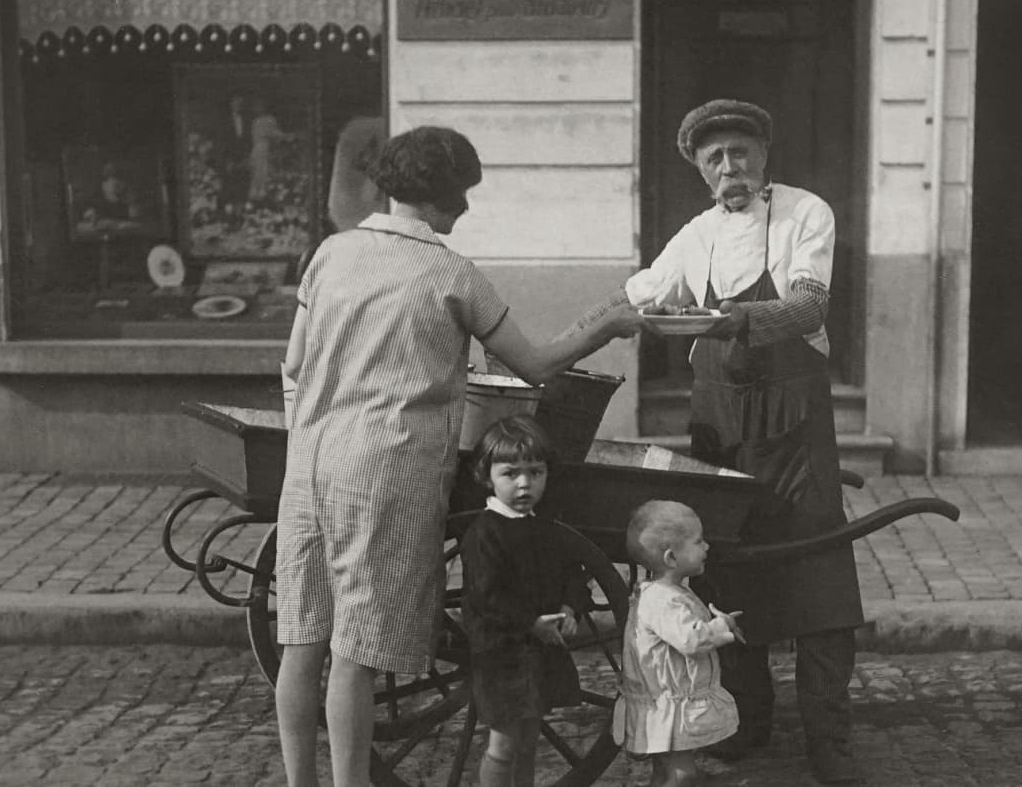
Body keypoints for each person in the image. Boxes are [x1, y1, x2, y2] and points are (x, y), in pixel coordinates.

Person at [275, 125, 644, 787]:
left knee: (302, 641)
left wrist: (308, 431)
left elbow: (294, 366)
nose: (466, 211)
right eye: (463, 195)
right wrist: (606, 324)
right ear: (446, 196)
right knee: (355, 651)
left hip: (310, 461)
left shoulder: (330, 253)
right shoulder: (451, 274)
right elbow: (532, 366)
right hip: (387, 468)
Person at [572, 98, 866, 783]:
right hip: (718, 433)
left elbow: (809, 305)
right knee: (727, 570)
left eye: (740, 153)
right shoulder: (696, 235)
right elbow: (636, 297)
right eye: (715, 159)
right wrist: (555, 346)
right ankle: (748, 723)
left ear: (763, 156)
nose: (729, 167)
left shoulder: (804, 213)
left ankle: (830, 739)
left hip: (794, 431)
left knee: (820, 576)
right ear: (702, 174)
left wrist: (728, 319)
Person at [459, 415, 589, 787]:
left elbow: (573, 571)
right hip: (502, 653)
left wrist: (570, 607)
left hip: (539, 652)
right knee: (503, 743)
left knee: (529, 739)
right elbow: (487, 596)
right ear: (487, 476)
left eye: (535, 472)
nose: (524, 483)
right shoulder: (485, 533)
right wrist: (530, 623)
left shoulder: (545, 527)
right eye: (510, 473)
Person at [614, 500, 743, 787]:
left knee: (666, 768)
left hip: (666, 701)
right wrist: (721, 627)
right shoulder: (665, 600)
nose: (707, 547)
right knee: (682, 773)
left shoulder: (667, 593)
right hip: (671, 705)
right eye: (698, 541)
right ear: (672, 558)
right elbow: (690, 639)